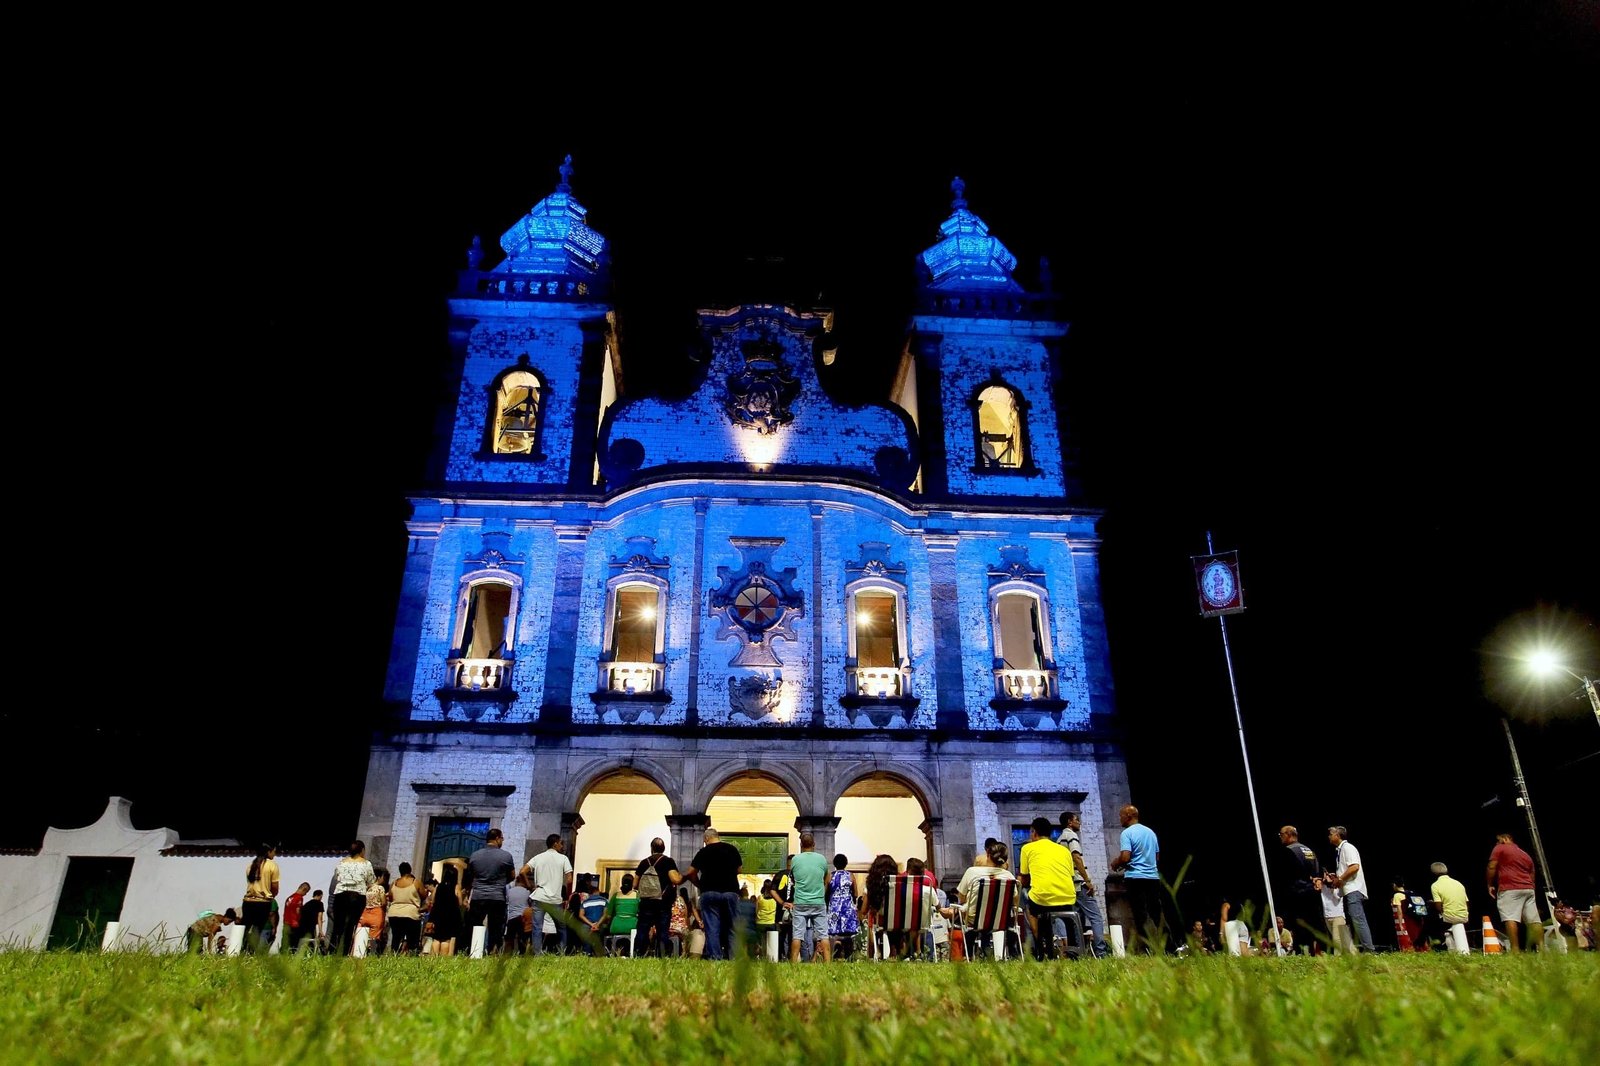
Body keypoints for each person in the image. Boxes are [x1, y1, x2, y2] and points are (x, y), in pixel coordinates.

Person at [1019, 816, 1077, 960]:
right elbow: (1071, 875)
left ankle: (1039, 947)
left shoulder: (1027, 848)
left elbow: (1024, 878)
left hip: (1042, 899)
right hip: (1067, 897)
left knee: (1026, 898)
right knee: (1048, 906)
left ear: (1034, 832)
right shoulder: (1064, 850)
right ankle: (1072, 948)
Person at [1111, 805, 1164, 953]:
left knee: (1141, 914)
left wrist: (1116, 863)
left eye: (1121, 815)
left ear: (1128, 816)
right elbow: (1156, 857)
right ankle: (1170, 946)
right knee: (1157, 913)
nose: (1120, 819)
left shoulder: (1127, 833)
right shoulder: (1151, 832)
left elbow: (1125, 857)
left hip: (1135, 878)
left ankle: (1147, 949)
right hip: (1153, 877)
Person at [683, 828, 743, 961]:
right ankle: (735, 957)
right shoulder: (731, 849)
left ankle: (715, 957)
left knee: (712, 927)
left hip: (709, 892)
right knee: (733, 926)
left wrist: (699, 884)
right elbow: (739, 869)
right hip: (730, 891)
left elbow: (691, 872)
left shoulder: (703, 852)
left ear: (706, 838)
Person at [1060, 812, 1107, 958]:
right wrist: (1087, 880)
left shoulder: (1060, 839)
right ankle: (1100, 952)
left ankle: (1077, 953)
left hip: (1069, 885)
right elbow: (1076, 857)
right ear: (1069, 822)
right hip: (1079, 883)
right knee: (1096, 917)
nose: (1079, 822)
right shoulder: (1071, 836)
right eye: (1077, 820)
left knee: (1076, 920)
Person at [1486, 832, 1542, 953]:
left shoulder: (1500, 848)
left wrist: (1489, 884)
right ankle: (1542, 948)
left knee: (1510, 917)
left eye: (1499, 840)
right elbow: (1532, 872)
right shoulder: (1525, 854)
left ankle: (1515, 949)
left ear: (1506, 839)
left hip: (1510, 888)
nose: (1497, 843)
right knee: (1533, 920)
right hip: (1528, 888)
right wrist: (1531, 886)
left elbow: (1491, 866)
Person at [462, 828, 514, 956]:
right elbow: (512, 876)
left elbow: (470, 877)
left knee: (474, 925)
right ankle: (493, 951)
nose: (502, 841)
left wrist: (467, 894)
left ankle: (473, 951)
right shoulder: (506, 856)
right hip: (497, 896)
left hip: (478, 896)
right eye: (502, 838)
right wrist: (501, 882)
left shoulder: (474, 856)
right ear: (497, 838)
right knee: (496, 927)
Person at [1273, 826, 1323, 954]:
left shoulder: (1288, 851)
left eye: (1281, 834)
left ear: (1289, 834)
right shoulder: (1308, 850)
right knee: (1312, 923)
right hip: (1312, 893)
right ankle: (1314, 951)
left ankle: (1301, 952)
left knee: (1299, 924)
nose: (1280, 837)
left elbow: (1286, 875)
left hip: (1297, 893)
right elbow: (1316, 872)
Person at [1326, 826, 1375, 953]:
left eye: (1331, 834)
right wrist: (1337, 876)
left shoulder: (1348, 847)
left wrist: (1340, 878)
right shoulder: (1340, 849)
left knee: (1358, 919)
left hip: (1353, 889)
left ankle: (1369, 950)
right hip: (1348, 890)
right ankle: (1356, 950)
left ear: (1338, 835)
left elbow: (1354, 867)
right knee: (1355, 920)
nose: (1329, 836)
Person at [524, 833, 574, 956]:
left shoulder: (538, 857)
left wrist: (530, 886)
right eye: (561, 843)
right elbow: (569, 879)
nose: (562, 846)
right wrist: (567, 896)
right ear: (555, 844)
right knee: (561, 927)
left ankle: (537, 953)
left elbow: (522, 871)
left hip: (539, 896)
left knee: (537, 927)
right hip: (554, 899)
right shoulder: (563, 859)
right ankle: (561, 952)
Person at [634, 837, 683, 957]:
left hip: (646, 903)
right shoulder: (668, 861)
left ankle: (638, 954)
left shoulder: (644, 863)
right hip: (663, 903)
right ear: (664, 848)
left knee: (642, 931)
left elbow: (635, 884)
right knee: (662, 932)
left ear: (651, 848)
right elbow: (675, 879)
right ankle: (662, 956)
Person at [787, 831, 831, 962]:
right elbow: (826, 879)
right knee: (823, 935)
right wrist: (821, 892)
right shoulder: (821, 859)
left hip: (800, 902)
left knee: (797, 935)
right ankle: (828, 964)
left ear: (801, 844)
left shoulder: (795, 860)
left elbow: (793, 878)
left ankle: (794, 963)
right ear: (814, 844)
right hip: (818, 901)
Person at [330, 840, 375, 956]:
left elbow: (337, 877)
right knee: (351, 925)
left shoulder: (342, 862)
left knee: (337, 925)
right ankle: (344, 952)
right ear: (362, 850)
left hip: (340, 894)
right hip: (357, 896)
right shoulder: (366, 864)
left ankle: (332, 950)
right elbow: (371, 881)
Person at [240, 843, 280, 954]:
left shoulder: (250, 866)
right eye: (274, 851)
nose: (275, 854)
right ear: (269, 852)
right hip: (263, 902)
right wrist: (271, 895)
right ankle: (252, 953)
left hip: (248, 902)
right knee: (257, 929)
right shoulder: (272, 865)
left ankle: (242, 951)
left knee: (245, 929)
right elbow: (275, 887)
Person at [1429, 862, 1470, 954]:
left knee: (1430, 918)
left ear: (1433, 873)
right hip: (1464, 916)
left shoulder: (1435, 885)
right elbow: (1466, 903)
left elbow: (1438, 907)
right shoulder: (1458, 883)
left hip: (1449, 917)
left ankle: (1437, 946)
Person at [596, 873, 640, 955]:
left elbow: (608, 915)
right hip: (632, 926)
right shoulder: (637, 896)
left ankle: (610, 952)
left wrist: (598, 924)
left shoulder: (616, 896)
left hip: (616, 927)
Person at [827, 854, 860, 960]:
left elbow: (825, 892)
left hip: (834, 907)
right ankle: (848, 954)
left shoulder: (830, 876)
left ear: (834, 864)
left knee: (834, 932)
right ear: (846, 863)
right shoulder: (850, 876)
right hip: (847, 907)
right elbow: (855, 893)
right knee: (848, 933)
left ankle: (835, 950)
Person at [390, 862, 425, 955]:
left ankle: (393, 955)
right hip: (410, 913)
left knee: (396, 938)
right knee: (412, 940)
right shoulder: (415, 882)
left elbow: (390, 897)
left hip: (394, 913)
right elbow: (424, 895)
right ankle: (412, 956)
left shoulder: (394, 883)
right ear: (410, 871)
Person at [284, 882, 310, 954]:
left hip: (286, 923)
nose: (305, 894)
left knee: (287, 942)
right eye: (306, 892)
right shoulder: (299, 898)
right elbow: (297, 911)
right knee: (294, 944)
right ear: (304, 889)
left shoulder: (289, 897)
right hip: (294, 924)